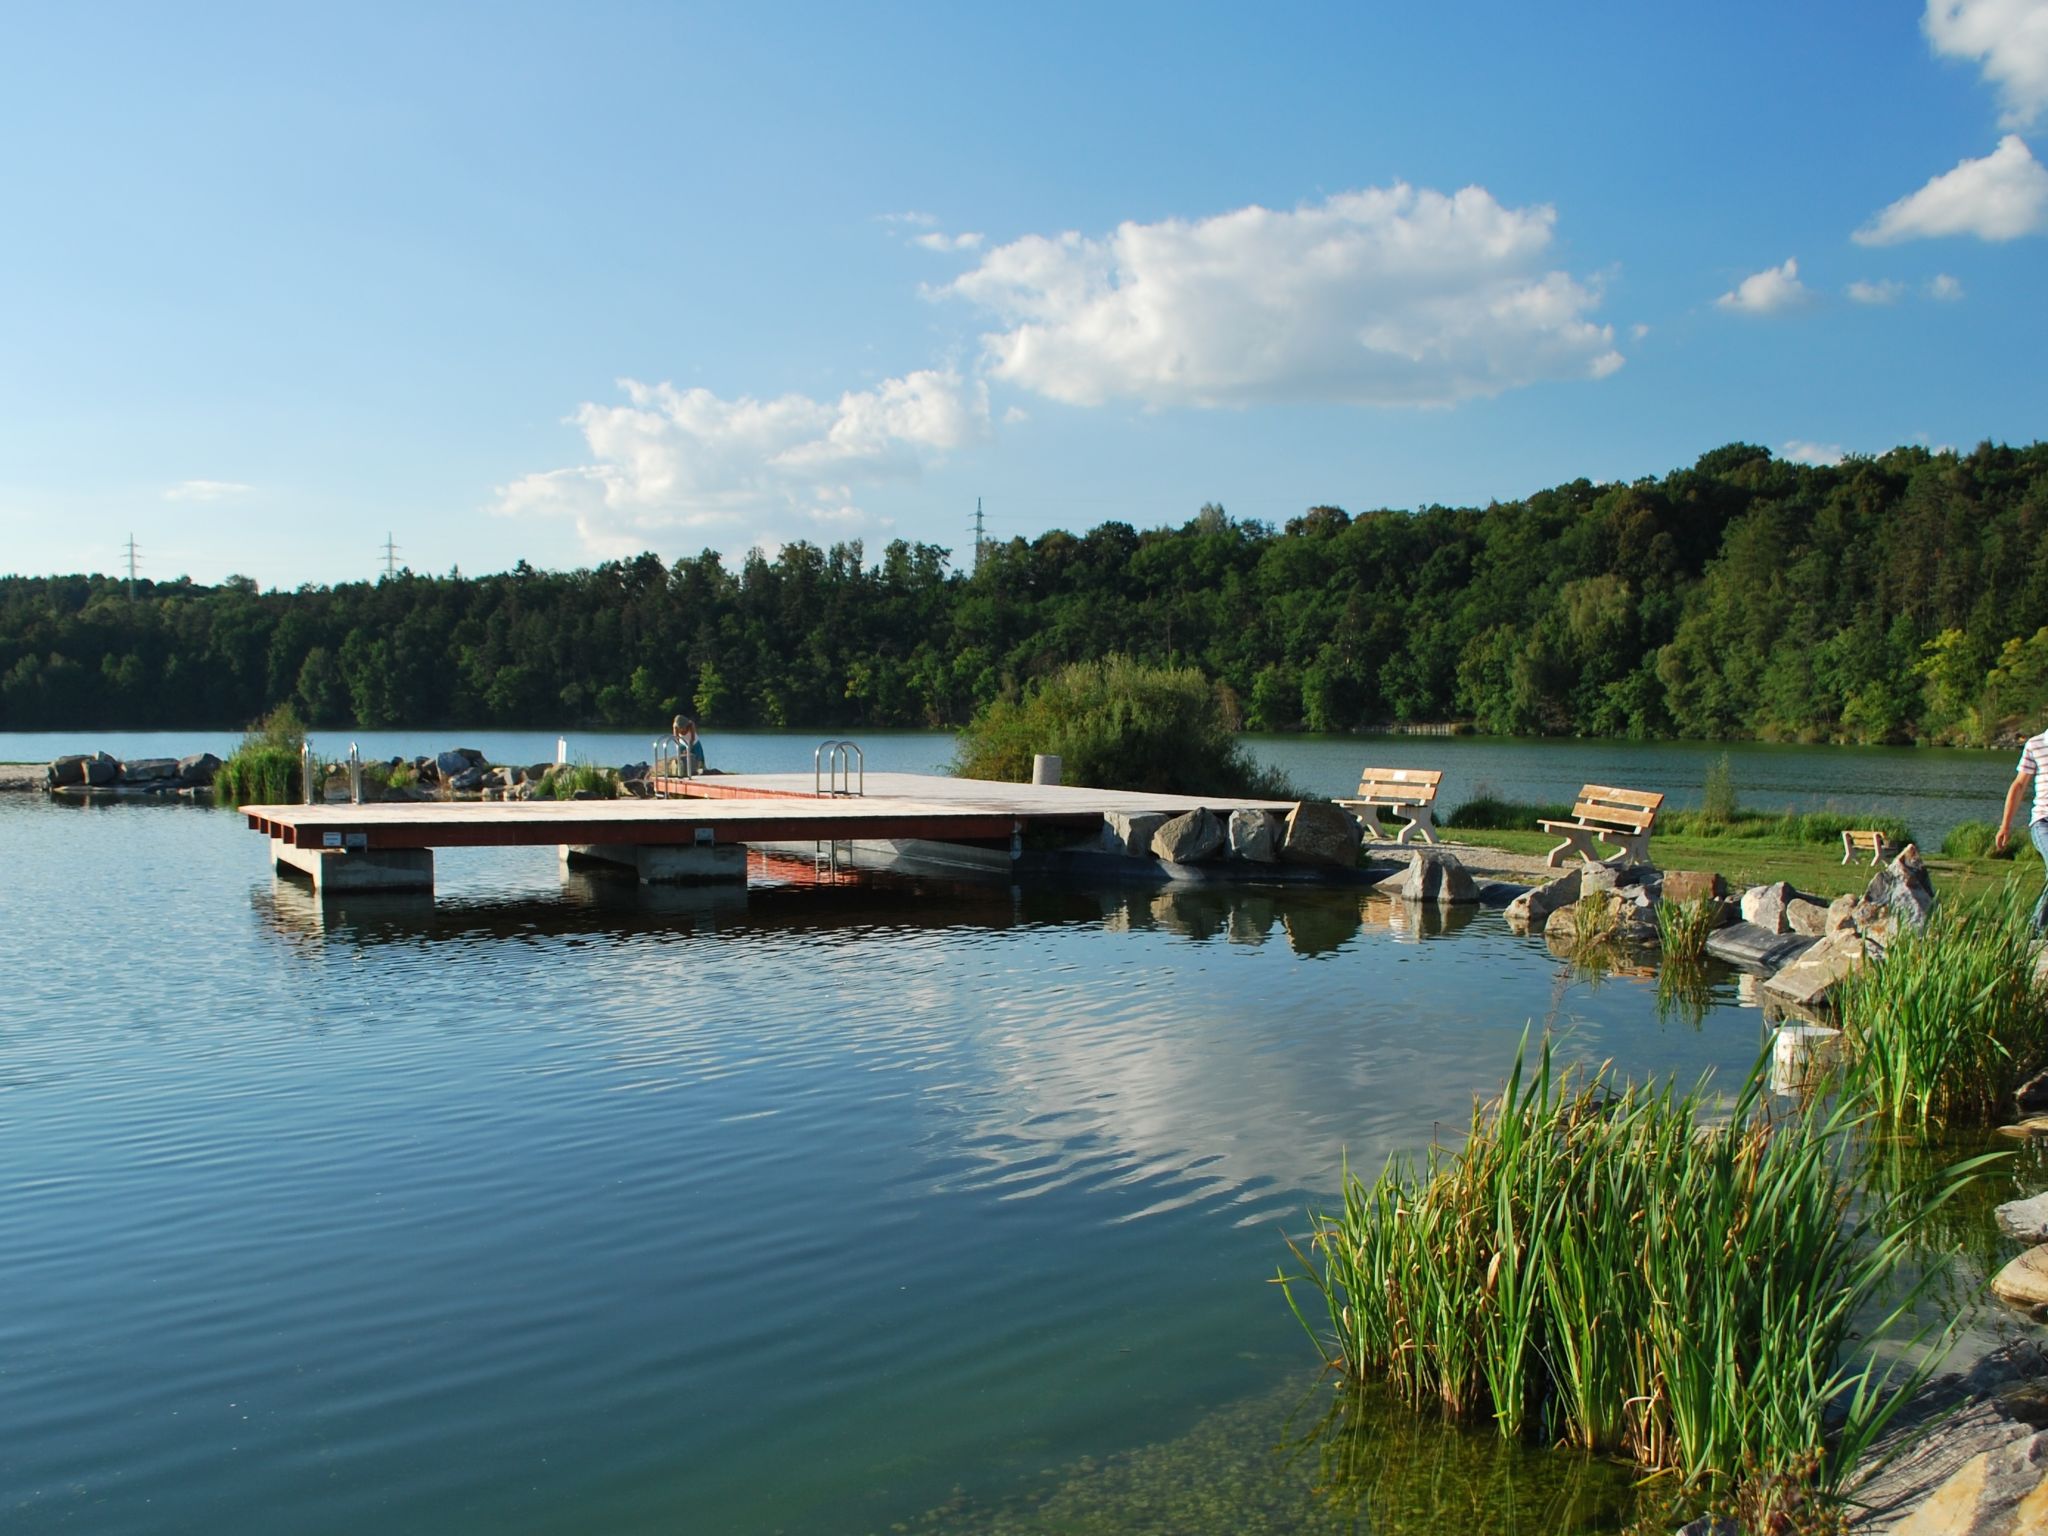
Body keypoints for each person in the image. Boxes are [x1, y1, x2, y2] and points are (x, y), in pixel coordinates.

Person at [1994, 719, 2048, 933]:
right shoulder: (2036, 744)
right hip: (2043, 822)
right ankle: (2034, 931)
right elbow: (2019, 786)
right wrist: (2005, 826)